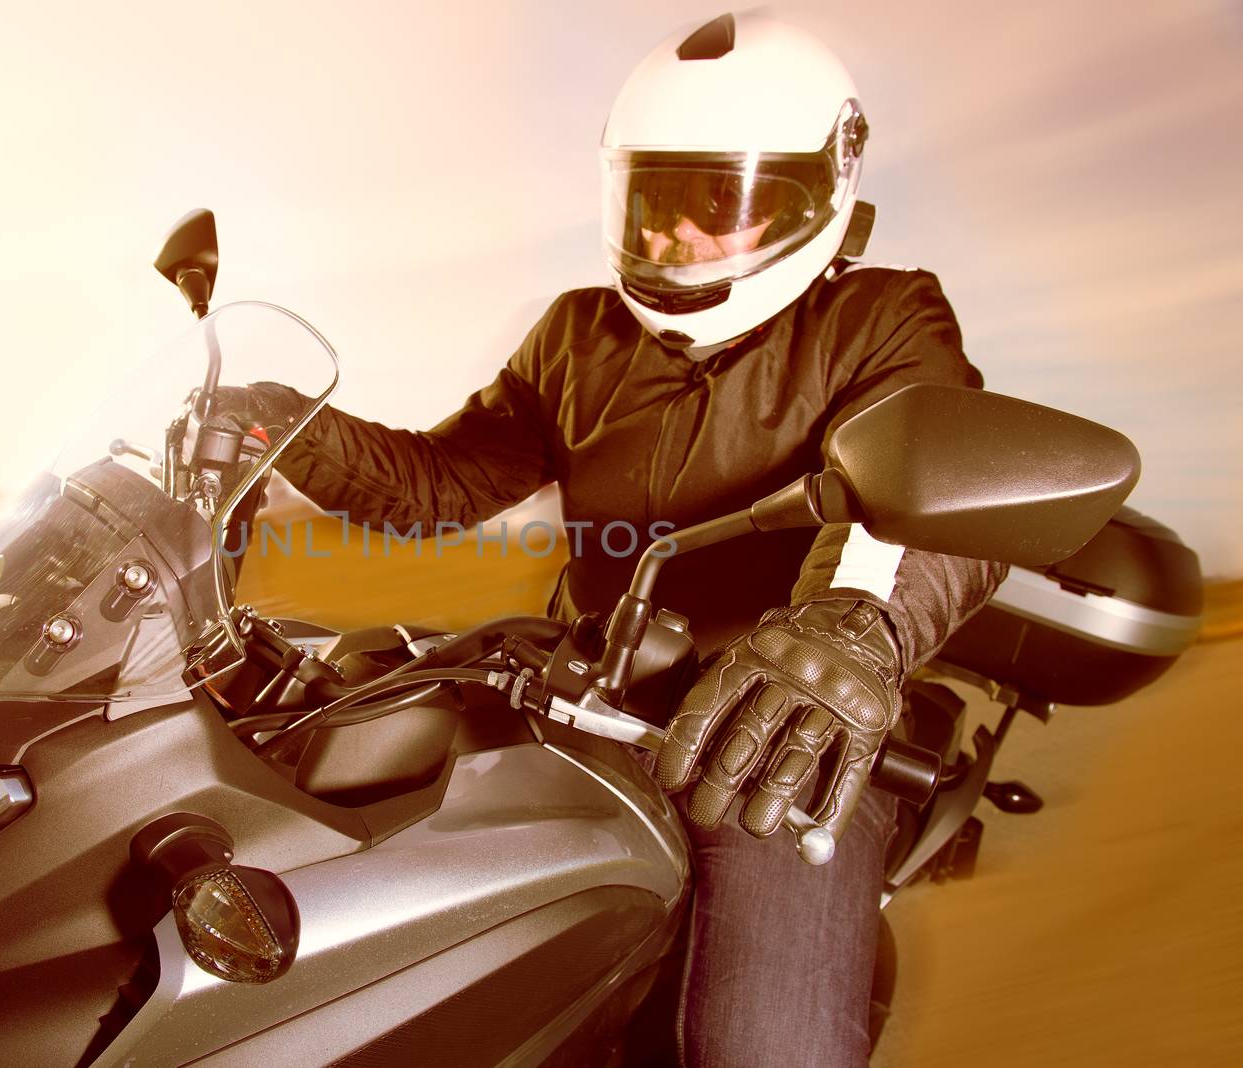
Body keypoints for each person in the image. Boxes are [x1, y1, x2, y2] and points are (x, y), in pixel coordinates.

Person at [239, 13, 1004, 1065]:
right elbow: (443, 483)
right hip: (588, 691)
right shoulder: (576, 335)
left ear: (814, 199)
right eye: (653, 200)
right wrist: (281, 427)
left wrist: (850, 632)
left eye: (715, 204)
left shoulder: (880, 321)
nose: (672, 240)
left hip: (784, 722)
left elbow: (933, 483)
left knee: (757, 1046)